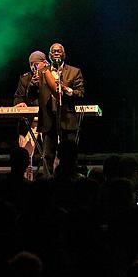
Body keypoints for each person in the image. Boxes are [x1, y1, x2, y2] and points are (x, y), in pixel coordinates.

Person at [36, 42, 84, 173]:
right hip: (48, 120)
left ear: (64, 54)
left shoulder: (74, 72)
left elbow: (80, 93)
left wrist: (66, 89)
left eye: (59, 51)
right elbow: (31, 95)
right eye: (53, 51)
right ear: (50, 55)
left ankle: (70, 182)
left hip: (67, 119)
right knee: (47, 156)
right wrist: (32, 86)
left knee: (69, 156)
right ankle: (48, 185)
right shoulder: (42, 72)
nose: (56, 53)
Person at [14, 50, 48, 176]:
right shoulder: (25, 78)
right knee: (25, 154)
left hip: (47, 119)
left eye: (36, 64)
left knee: (50, 153)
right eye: (31, 64)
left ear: (44, 63)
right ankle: (26, 179)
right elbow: (18, 97)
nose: (33, 67)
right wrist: (19, 104)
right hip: (30, 120)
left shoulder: (52, 76)